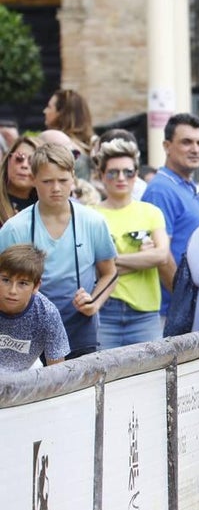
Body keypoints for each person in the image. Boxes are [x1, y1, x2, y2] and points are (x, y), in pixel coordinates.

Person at [0, 143, 117, 358]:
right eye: (47, 181)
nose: (56, 188)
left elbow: (109, 272)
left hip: (80, 325)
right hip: (25, 331)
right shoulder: (15, 228)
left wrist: (94, 302)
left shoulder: (93, 221)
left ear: (73, 177)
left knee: (82, 392)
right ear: (34, 180)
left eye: (63, 180)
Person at [93, 138, 169, 348]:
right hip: (103, 311)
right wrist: (142, 259)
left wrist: (110, 263)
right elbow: (91, 269)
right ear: (101, 175)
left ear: (136, 174)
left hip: (145, 314)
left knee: (149, 378)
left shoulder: (150, 212)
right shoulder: (91, 216)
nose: (121, 178)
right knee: (102, 378)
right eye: (112, 172)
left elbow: (161, 256)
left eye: (128, 172)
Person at [141, 113, 199, 305]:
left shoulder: (188, 185)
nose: (196, 149)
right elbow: (162, 256)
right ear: (167, 146)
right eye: (186, 142)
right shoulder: (161, 190)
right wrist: (184, 301)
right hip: (173, 310)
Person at [0, 245, 68, 370]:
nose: (12, 290)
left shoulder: (47, 314)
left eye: (22, 283)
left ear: (36, 286)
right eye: (6, 280)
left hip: (26, 380)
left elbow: (58, 370)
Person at [42, 89, 95, 180]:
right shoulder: (89, 147)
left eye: (49, 107)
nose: (45, 111)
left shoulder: (55, 143)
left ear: (62, 113)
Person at [0, 135, 40, 226]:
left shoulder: (45, 206)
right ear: (8, 161)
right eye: (19, 158)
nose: (24, 165)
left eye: (32, 161)